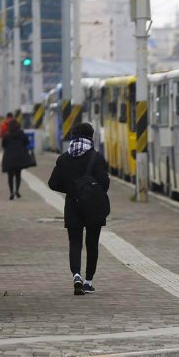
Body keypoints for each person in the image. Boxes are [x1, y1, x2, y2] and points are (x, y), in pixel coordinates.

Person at [48, 123, 110, 296]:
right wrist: (92, 191)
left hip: (72, 206)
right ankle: (89, 281)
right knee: (92, 244)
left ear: (73, 136)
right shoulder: (96, 157)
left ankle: (76, 275)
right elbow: (104, 183)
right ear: (91, 136)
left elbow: (53, 183)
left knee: (75, 243)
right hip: (94, 207)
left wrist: (71, 189)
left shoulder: (63, 158)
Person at [1, 119, 33, 199]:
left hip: (9, 157)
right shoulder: (21, 134)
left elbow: (3, 145)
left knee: (10, 175)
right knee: (18, 174)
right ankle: (17, 191)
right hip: (19, 157)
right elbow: (27, 142)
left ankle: (11, 192)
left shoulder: (6, 135)